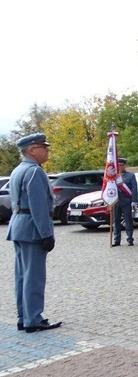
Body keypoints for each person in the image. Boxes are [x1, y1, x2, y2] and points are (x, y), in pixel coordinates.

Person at [7, 133, 62, 333]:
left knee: (22, 276)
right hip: (32, 229)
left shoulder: (18, 170)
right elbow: (38, 206)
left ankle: (24, 317)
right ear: (31, 150)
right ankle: (33, 319)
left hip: (19, 227)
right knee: (34, 277)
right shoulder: (34, 172)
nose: (47, 150)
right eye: (43, 147)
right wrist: (47, 234)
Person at [112, 157, 137, 247]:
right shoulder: (113, 176)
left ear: (125, 166)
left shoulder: (130, 176)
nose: (120, 166)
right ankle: (116, 239)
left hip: (126, 201)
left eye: (122, 165)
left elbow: (134, 189)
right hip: (116, 202)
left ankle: (130, 238)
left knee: (128, 220)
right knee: (116, 221)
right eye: (119, 165)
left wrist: (134, 201)